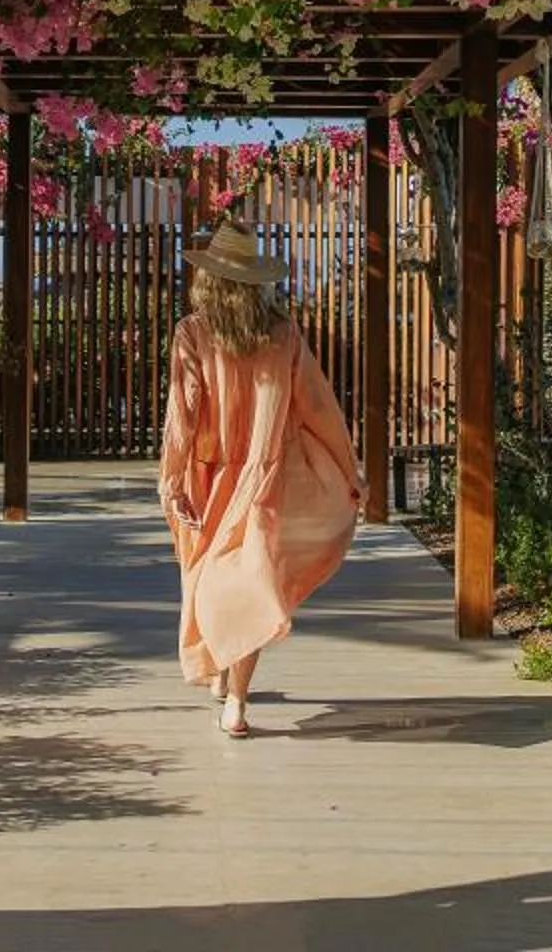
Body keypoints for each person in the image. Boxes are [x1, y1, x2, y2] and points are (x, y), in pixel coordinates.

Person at [157, 215, 363, 738]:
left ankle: (236, 699)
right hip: (266, 476)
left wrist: (172, 480)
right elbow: (317, 405)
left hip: (210, 476)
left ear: (209, 278)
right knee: (246, 580)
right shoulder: (282, 333)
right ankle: (231, 686)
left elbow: (182, 414)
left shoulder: (192, 332)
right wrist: (347, 468)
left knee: (222, 580)